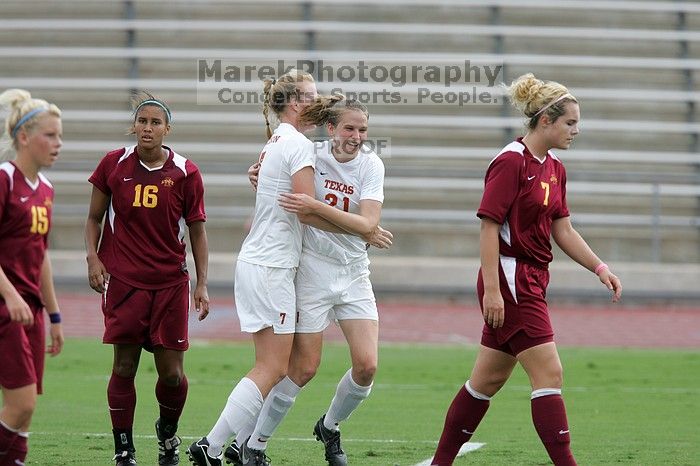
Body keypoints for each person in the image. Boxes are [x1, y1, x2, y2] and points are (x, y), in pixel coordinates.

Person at [187, 78, 389, 466]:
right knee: (293, 367)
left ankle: (326, 427)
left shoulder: (363, 162)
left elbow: (310, 203)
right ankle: (244, 445)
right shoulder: (304, 148)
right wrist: (360, 227)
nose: (357, 136)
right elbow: (311, 208)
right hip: (303, 270)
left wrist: (268, 180)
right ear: (331, 128)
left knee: (366, 365)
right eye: (349, 127)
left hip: (348, 273)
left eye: (363, 129)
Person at [430, 73, 622, 466]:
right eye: (570, 122)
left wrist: (599, 267)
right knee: (549, 373)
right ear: (546, 120)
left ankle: (440, 463)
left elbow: (562, 229)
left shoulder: (554, 167)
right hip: (510, 278)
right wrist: (494, 289)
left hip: (530, 278)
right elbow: (487, 226)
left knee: (486, 381)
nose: (576, 130)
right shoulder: (510, 162)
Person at [85, 92, 210, 466]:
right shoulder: (113, 164)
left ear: (167, 129)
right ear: (133, 126)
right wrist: (94, 259)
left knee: (171, 375)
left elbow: (198, 231)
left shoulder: (186, 172)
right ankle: (123, 450)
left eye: (156, 123)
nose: (148, 128)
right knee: (123, 366)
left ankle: (167, 436)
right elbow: (93, 218)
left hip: (171, 284)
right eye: (142, 121)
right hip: (124, 282)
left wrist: (201, 283)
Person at [0, 88, 64, 466]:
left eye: (60, 135)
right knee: (19, 403)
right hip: (7, 307)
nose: (58, 144)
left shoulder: (47, 189)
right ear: (23, 137)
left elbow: (40, 257)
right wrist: (10, 295)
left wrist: (54, 315)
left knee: (25, 413)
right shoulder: (5, 179)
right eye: (50, 135)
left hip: (30, 311)